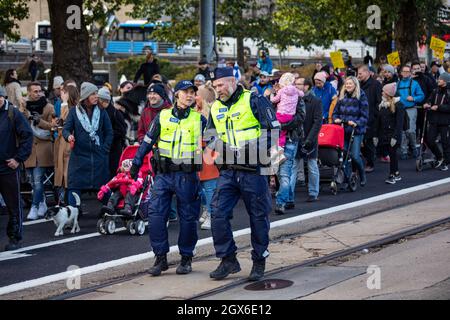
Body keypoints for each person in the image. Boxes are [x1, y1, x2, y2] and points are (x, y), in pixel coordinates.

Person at [207, 67, 280, 281]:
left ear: (232, 82)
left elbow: (273, 131)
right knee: (217, 213)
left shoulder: (254, 100)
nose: (217, 89)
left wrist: (251, 151)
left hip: (254, 170)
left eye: (220, 85)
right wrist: (221, 149)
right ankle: (228, 259)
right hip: (229, 171)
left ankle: (259, 260)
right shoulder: (215, 108)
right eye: (214, 86)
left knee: (258, 216)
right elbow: (210, 135)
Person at [130, 80, 207, 276]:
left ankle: (186, 258)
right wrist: (136, 163)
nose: (189, 95)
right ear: (176, 95)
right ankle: (160, 258)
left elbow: (214, 142)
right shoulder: (162, 116)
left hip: (187, 176)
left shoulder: (200, 119)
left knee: (188, 219)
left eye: (192, 92)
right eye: (185, 92)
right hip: (163, 174)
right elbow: (147, 141)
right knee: (156, 215)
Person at [62, 82, 113, 207]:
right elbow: (66, 129)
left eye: (97, 93)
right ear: (86, 96)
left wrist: (104, 149)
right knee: (74, 186)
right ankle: (73, 213)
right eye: (94, 94)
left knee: (104, 186)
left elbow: (109, 132)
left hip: (99, 157)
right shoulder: (74, 112)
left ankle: (107, 210)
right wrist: (68, 136)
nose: (97, 96)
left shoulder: (102, 112)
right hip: (79, 157)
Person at [0, 86, 33, 251]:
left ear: (2, 97)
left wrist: (18, 159)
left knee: (13, 205)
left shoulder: (13, 113)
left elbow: (27, 136)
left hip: (8, 166)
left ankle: (15, 238)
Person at [21, 82, 55, 220]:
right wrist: (25, 113)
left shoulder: (49, 107)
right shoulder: (23, 109)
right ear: (29, 92)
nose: (38, 93)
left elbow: (53, 127)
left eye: (40, 91)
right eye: (35, 91)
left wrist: (38, 121)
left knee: (38, 180)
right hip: (28, 151)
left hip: (43, 149)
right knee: (32, 181)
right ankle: (42, 203)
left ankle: (34, 207)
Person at [332, 76, 369, 187]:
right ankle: (347, 179)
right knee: (343, 155)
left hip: (356, 130)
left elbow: (365, 116)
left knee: (355, 156)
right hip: (343, 130)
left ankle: (362, 173)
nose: (348, 85)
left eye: (350, 84)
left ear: (355, 85)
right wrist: (336, 119)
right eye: (346, 84)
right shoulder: (342, 97)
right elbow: (335, 113)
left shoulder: (361, 96)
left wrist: (356, 122)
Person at [293, 77, 322, 203]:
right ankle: (289, 194)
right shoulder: (294, 99)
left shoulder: (315, 101)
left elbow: (317, 122)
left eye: (299, 84)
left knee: (312, 166)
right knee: (294, 166)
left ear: (306, 86)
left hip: (310, 138)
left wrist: (310, 139)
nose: (296, 86)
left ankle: (313, 192)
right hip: (296, 137)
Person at [195, 83, 219, 230]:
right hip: (195, 152)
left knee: (209, 186)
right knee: (199, 187)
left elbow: (216, 134)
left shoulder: (212, 112)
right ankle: (206, 208)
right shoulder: (193, 111)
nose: (193, 96)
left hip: (209, 151)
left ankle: (211, 213)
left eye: (196, 94)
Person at [373, 83, 405, 184]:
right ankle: (396, 172)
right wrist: (376, 135)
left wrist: (395, 137)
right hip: (384, 134)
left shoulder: (398, 105)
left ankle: (392, 175)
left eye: (383, 91)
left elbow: (399, 123)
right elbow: (378, 121)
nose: (382, 92)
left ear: (388, 94)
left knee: (393, 154)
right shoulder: (382, 105)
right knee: (391, 154)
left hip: (393, 134)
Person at [53, 83, 79, 203]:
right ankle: (66, 202)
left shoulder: (72, 108)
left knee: (67, 176)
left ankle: (70, 204)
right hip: (62, 144)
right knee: (63, 176)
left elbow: (65, 119)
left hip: (68, 144)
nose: (61, 94)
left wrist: (64, 102)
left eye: (64, 92)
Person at [270, 72, 304, 161]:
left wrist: (272, 95)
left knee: (277, 130)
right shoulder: (296, 91)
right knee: (282, 133)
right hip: (289, 116)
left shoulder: (282, 91)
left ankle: (279, 152)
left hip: (280, 115)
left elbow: (273, 100)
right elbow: (302, 94)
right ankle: (279, 150)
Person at [396, 65, 425, 160]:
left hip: (411, 108)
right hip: (400, 110)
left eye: (407, 71)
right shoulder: (397, 84)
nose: (405, 73)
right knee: (402, 132)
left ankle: (413, 148)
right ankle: (404, 151)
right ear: (401, 73)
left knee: (411, 130)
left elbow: (422, 96)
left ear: (410, 73)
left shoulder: (415, 83)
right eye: (404, 71)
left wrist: (414, 98)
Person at [97, 88, 127, 179]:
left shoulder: (115, 113)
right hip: (104, 148)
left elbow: (122, 131)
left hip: (114, 150)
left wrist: (108, 135)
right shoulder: (98, 111)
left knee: (112, 173)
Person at [357, 65, 382, 173]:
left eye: (360, 74)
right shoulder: (358, 85)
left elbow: (379, 101)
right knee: (360, 142)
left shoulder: (376, 84)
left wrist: (374, 115)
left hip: (371, 118)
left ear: (367, 73)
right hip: (359, 117)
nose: (358, 76)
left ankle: (370, 163)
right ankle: (367, 159)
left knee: (368, 141)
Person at [423, 72, 450, 171]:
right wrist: (427, 103)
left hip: (445, 122)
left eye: (440, 79)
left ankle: (446, 162)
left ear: (446, 81)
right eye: (438, 78)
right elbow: (429, 100)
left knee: (445, 143)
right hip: (434, 120)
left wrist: (438, 107)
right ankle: (439, 156)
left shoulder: (448, 92)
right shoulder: (435, 91)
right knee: (429, 140)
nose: (438, 80)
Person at [411, 61, 436, 141]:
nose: (417, 70)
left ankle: (423, 145)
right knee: (412, 128)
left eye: (418, 68)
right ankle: (412, 145)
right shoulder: (409, 79)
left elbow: (432, 91)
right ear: (411, 70)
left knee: (423, 128)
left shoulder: (426, 78)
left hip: (422, 107)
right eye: (414, 69)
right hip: (412, 107)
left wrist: (428, 101)